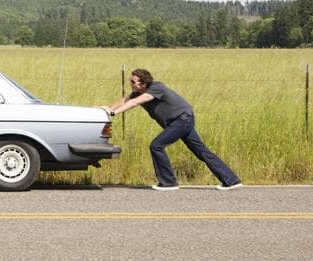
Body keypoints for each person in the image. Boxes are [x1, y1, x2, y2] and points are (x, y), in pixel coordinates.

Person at [102, 68, 242, 191]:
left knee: (156, 145)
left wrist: (115, 113)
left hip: (182, 120)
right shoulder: (137, 92)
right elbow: (126, 100)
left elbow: (135, 102)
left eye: (133, 81)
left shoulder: (156, 88)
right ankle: (232, 181)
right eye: (130, 81)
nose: (130, 83)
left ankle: (168, 182)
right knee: (201, 151)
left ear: (143, 83)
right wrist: (108, 109)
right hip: (178, 122)